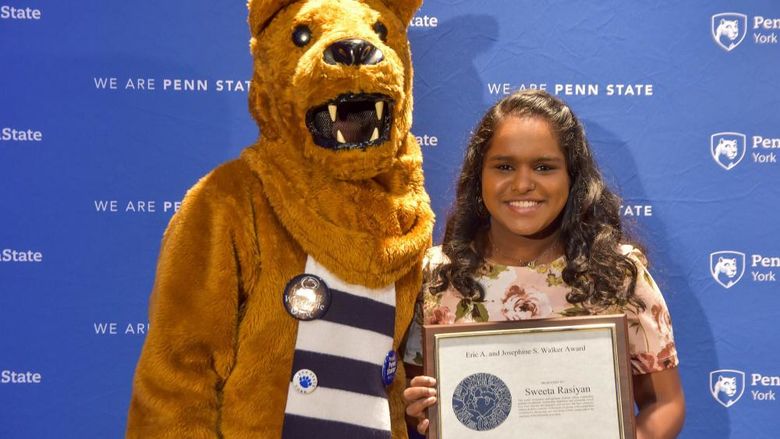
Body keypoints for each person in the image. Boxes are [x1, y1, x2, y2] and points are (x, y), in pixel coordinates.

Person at [402, 90, 685, 438]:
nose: (522, 184)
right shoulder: (435, 275)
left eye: (544, 167)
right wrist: (414, 408)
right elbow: (413, 392)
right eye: (504, 166)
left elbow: (665, 404)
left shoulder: (618, 275)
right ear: (479, 177)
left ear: (573, 177)